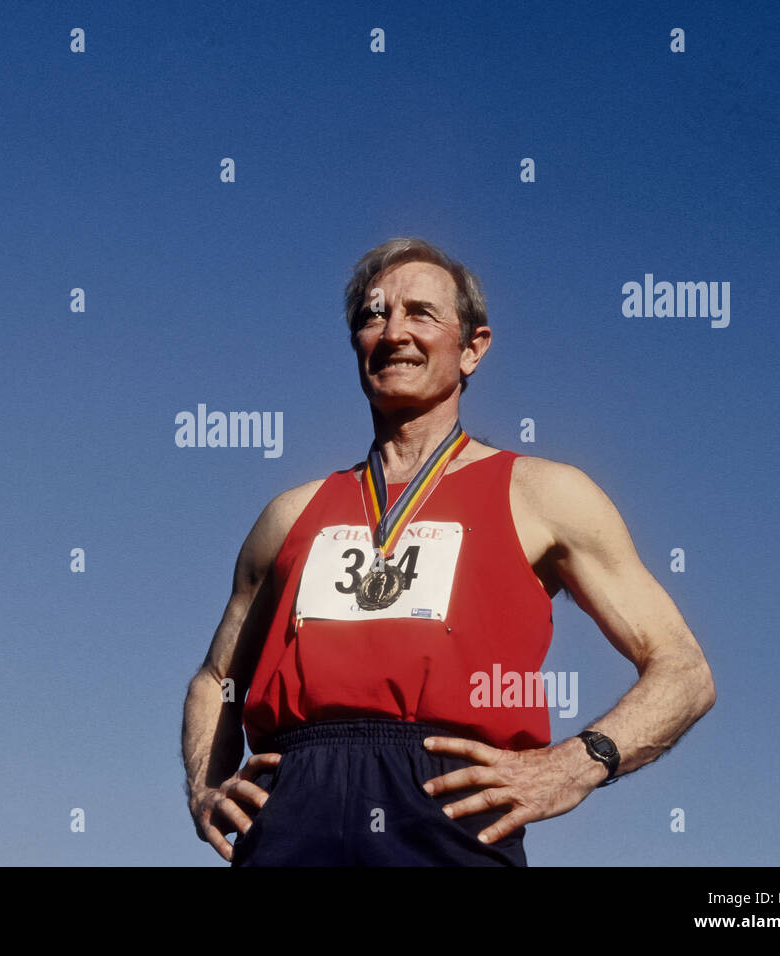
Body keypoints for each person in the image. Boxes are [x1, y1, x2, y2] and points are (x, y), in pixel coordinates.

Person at [181, 237, 716, 866]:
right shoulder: (289, 515)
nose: (393, 332)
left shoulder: (544, 494)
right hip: (292, 807)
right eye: (374, 315)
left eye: (421, 313)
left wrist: (576, 763)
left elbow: (684, 670)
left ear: (472, 349)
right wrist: (205, 788)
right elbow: (217, 679)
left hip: (450, 806)